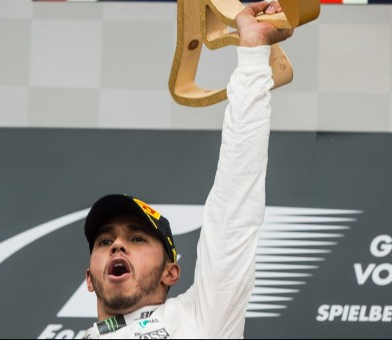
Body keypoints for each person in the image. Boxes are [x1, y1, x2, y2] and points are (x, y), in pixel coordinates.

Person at [82, 1, 293, 338]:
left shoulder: (197, 317)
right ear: (90, 279)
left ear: (171, 273)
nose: (117, 246)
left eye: (136, 238)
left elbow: (234, 210)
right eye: (105, 240)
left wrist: (253, 55)